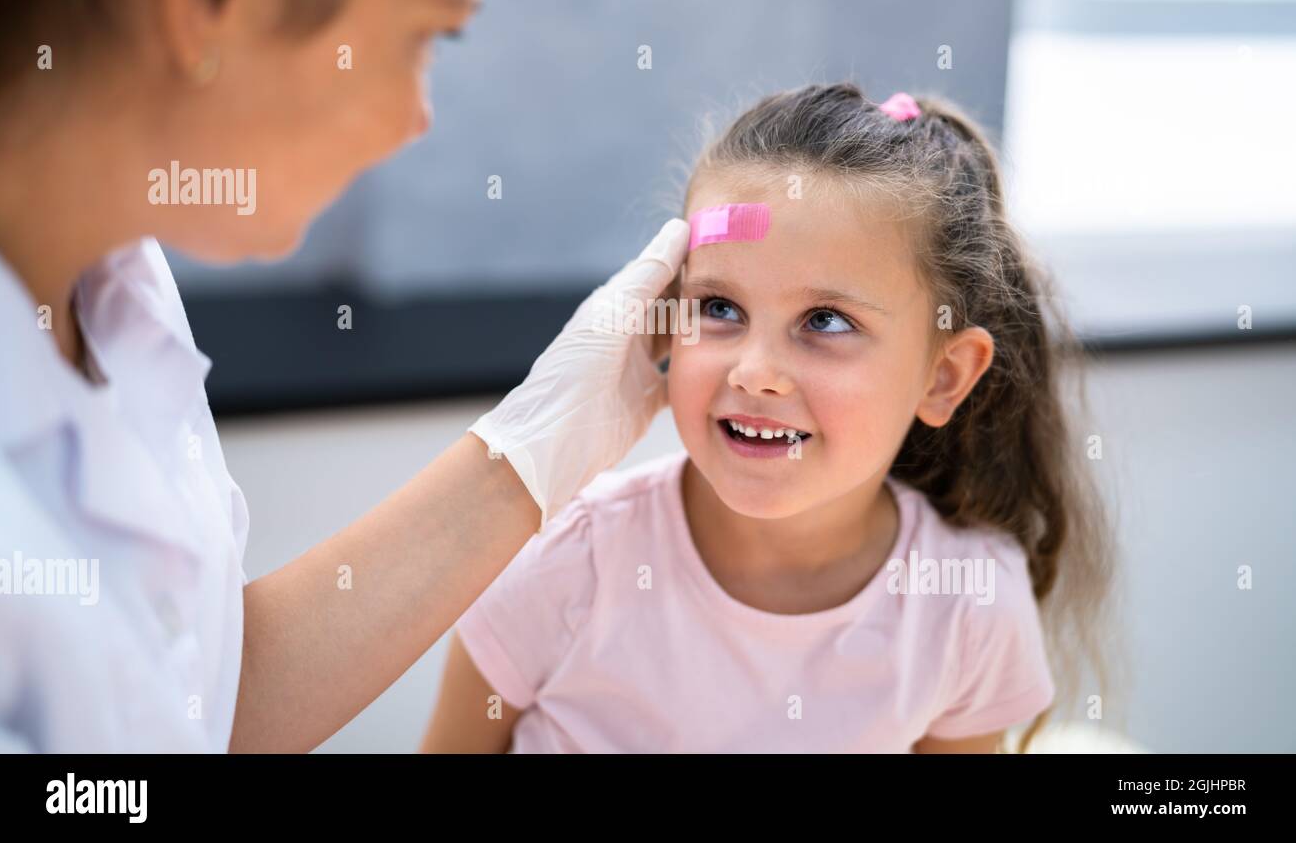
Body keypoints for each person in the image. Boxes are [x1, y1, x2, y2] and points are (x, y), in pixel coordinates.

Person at [0, 0, 690, 752]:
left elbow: (201, 709)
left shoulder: (111, 292)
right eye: (429, 34)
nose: (416, 121)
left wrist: (534, 448)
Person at [421, 83, 1116, 753]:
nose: (754, 370)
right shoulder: (563, 561)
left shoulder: (971, 607)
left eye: (825, 320)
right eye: (719, 307)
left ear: (942, 376)